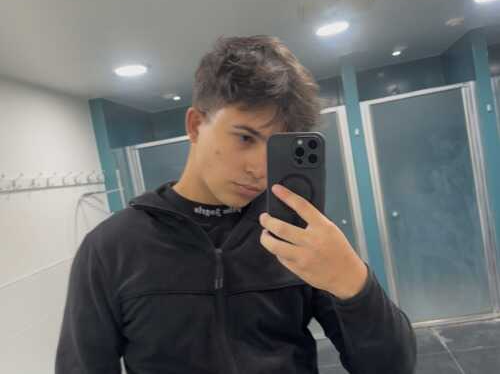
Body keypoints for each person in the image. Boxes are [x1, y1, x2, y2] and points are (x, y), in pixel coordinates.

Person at [55, 36, 417, 373]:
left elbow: (392, 367)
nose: (260, 169)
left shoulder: (292, 235)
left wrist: (353, 281)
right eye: (245, 137)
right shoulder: (111, 248)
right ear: (195, 125)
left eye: (274, 148)